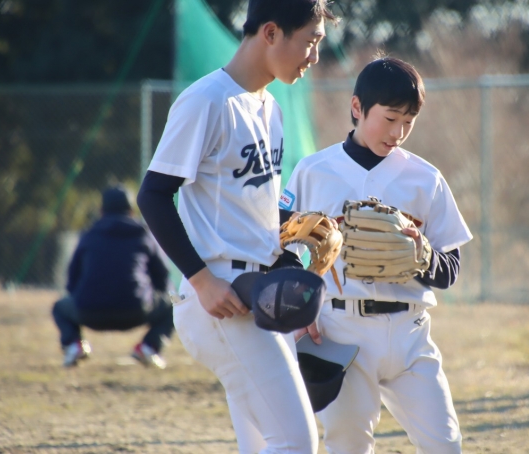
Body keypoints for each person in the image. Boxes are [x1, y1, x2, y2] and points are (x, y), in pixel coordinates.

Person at [136, 1, 337, 452]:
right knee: (296, 441)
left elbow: (254, 215)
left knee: (267, 443)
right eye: (310, 41)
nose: (314, 56)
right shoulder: (207, 100)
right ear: (271, 33)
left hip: (257, 295)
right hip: (221, 295)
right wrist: (201, 280)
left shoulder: (271, 108)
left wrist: (292, 255)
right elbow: (153, 195)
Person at [281, 56, 472, 453]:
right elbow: (278, 245)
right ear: (357, 107)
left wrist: (423, 256)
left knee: (445, 444)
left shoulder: (426, 178)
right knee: (348, 445)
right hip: (339, 329)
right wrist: (300, 308)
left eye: (409, 121)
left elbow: (451, 268)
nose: (398, 131)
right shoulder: (314, 171)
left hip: (409, 333)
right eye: (390, 118)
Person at [52, 185, 174, 369]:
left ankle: (74, 345)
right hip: (135, 310)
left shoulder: (89, 235)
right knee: (172, 306)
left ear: (101, 211)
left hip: (89, 312)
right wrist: (151, 294)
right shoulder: (143, 234)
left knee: (60, 308)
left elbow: (72, 278)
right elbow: (162, 276)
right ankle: (149, 347)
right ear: (131, 211)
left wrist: (81, 296)